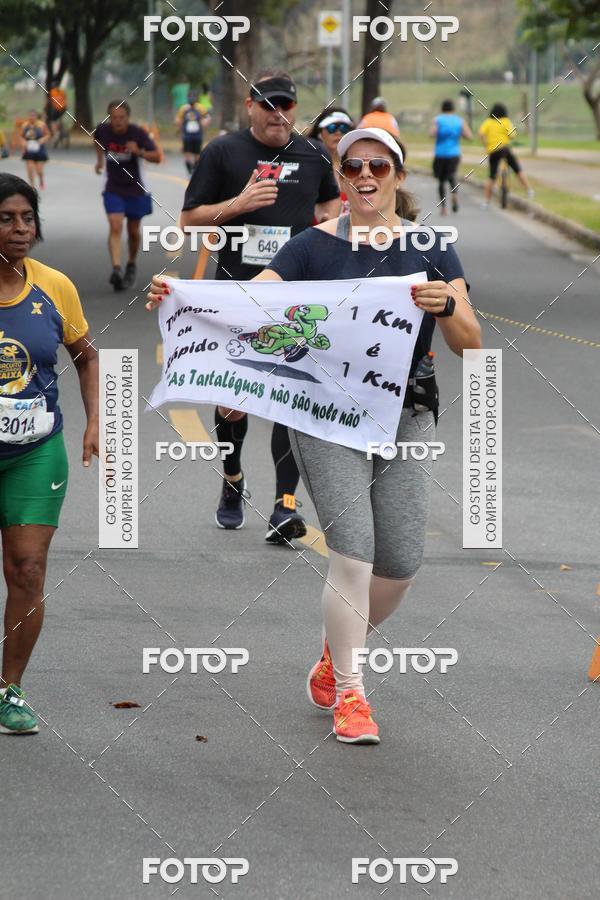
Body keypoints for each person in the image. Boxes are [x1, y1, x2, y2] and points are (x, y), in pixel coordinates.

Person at [146, 127, 481, 743]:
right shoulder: (310, 248)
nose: (365, 174)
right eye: (352, 164)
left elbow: (471, 341)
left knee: (400, 563)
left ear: (399, 178)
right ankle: (352, 693)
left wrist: (448, 306)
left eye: (379, 165)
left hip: (407, 414)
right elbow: (248, 307)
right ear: (342, 174)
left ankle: (336, 653)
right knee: (352, 551)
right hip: (324, 414)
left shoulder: (430, 247)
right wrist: (181, 297)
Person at [179, 69, 340, 542]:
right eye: (268, 104)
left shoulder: (312, 155)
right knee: (234, 401)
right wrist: (240, 203)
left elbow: (330, 209)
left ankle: (284, 506)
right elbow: (189, 219)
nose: (278, 114)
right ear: (250, 106)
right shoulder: (223, 152)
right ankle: (232, 480)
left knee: (290, 399)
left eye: (286, 105)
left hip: (296, 299)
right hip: (237, 291)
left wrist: (332, 226)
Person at [0, 174, 98, 734]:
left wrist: (94, 423)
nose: (19, 229)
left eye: (27, 218)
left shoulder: (54, 286)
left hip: (34, 452)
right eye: (7, 218)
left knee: (27, 570)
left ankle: (9, 689)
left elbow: (85, 355)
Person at [93, 101, 161, 292]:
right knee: (115, 225)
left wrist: (139, 151)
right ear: (109, 118)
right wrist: (99, 161)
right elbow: (96, 139)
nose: (118, 121)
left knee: (133, 230)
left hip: (135, 189)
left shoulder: (137, 133)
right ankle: (116, 268)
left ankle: (131, 263)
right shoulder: (104, 131)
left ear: (127, 117)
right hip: (113, 187)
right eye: (114, 117)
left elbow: (157, 156)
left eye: (121, 117)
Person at [479, 103, 534, 208]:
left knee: (491, 176)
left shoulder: (488, 122)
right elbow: (513, 135)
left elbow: (481, 134)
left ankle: (486, 201)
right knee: (517, 169)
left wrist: (486, 144)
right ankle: (529, 190)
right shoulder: (506, 121)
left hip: (493, 151)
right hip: (504, 149)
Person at [308, 108, 355, 216]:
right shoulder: (307, 165)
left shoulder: (359, 166)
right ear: (320, 133)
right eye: (332, 128)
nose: (338, 133)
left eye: (344, 128)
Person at [430, 99, 472, 214]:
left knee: (441, 180)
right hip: (454, 153)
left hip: (440, 154)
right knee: (452, 175)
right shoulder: (459, 121)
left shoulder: (438, 120)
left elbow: (432, 133)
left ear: (442, 108)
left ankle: (443, 208)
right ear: (453, 109)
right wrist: (459, 134)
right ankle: (454, 194)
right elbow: (469, 136)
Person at [175, 90, 210, 175]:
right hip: (187, 135)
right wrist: (179, 125)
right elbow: (178, 119)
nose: (192, 99)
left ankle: (195, 168)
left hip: (198, 135)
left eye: (193, 97)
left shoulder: (200, 108)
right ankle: (189, 167)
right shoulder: (184, 108)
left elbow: (207, 117)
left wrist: (205, 122)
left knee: (197, 154)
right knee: (187, 153)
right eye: (190, 97)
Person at [20, 111, 49, 190]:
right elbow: (21, 137)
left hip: (40, 150)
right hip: (29, 151)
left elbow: (47, 135)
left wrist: (42, 140)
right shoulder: (25, 125)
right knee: (30, 169)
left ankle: (41, 178)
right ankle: (31, 186)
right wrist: (23, 143)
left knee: (39, 170)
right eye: (30, 116)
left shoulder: (42, 125)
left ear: (36, 117)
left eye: (33, 116)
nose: (32, 117)